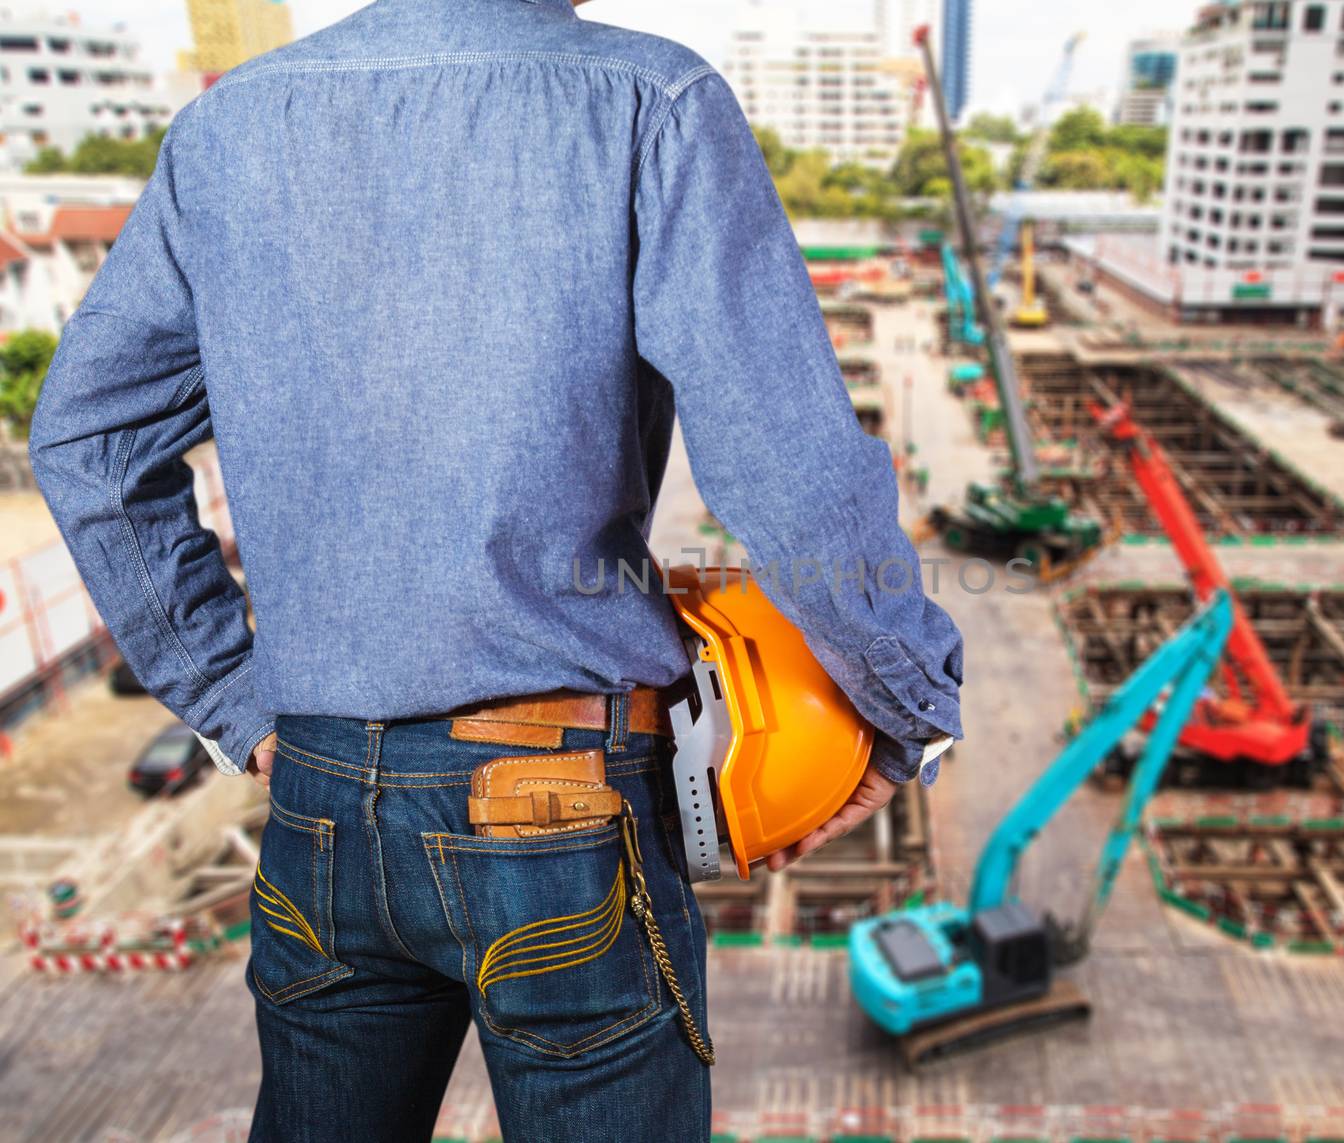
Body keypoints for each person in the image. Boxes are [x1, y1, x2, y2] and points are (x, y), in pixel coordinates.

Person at [25, 1, 963, 1140]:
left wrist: (229, 693)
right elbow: (785, 462)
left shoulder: (228, 127)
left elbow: (88, 441)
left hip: (316, 794)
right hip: (559, 802)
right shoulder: (646, 100)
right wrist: (903, 702)